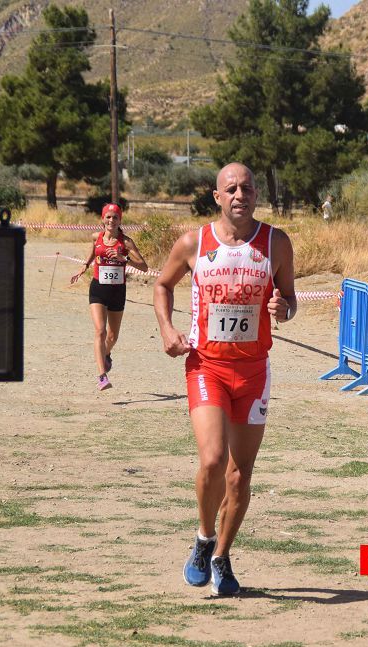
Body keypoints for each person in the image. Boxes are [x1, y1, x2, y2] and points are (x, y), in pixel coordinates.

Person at [154, 162, 297, 597]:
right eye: (231, 188)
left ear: (257, 195)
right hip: (207, 367)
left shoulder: (276, 242)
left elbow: (289, 298)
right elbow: (162, 285)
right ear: (216, 196)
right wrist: (166, 329)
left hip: (254, 372)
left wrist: (284, 309)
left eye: (248, 188)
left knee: (239, 476)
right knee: (214, 459)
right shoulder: (194, 242)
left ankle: (222, 556)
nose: (240, 195)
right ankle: (203, 537)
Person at [70, 203, 148, 391]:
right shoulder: (96, 237)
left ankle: (106, 354)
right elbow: (93, 252)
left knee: (112, 336)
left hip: (117, 292)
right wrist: (84, 266)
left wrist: (124, 259)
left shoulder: (126, 242)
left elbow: (144, 266)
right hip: (98, 290)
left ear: (120, 220)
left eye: (115, 217)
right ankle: (102, 376)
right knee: (100, 331)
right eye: (108, 217)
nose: (111, 220)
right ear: (102, 219)